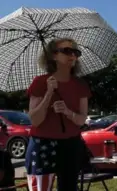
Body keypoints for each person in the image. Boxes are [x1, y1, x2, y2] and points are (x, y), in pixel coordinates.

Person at [25, 38, 91, 191]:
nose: (72, 55)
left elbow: (81, 120)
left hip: (71, 144)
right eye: (67, 51)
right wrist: (48, 93)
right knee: (40, 188)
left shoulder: (81, 85)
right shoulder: (40, 82)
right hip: (43, 144)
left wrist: (67, 112)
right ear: (53, 55)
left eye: (76, 52)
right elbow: (35, 120)